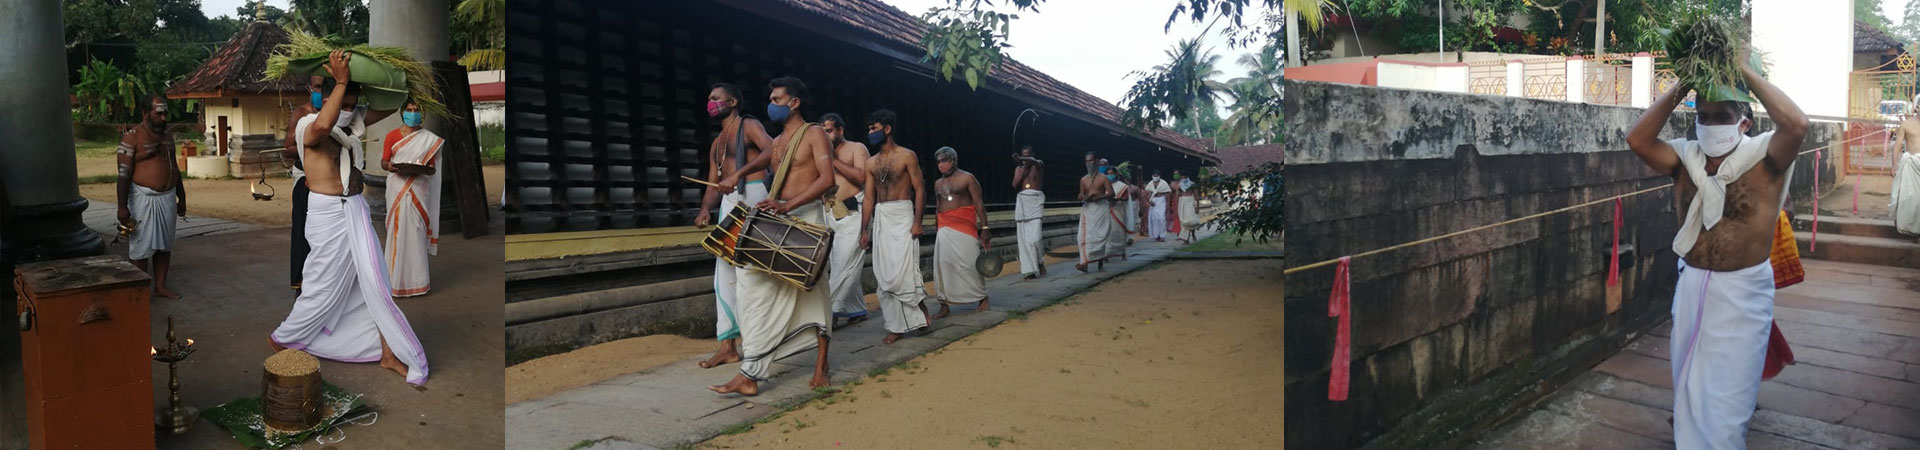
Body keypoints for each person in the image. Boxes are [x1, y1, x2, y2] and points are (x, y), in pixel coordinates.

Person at [1625, 48, 1808, 449]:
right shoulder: (1684, 158)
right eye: (1702, 117)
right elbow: (1637, 139)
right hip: (1691, 285)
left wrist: (1744, 70)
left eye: (1721, 116)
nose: (1709, 125)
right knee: (1689, 384)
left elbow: (1796, 125)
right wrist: (1683, 85)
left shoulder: (1765, 158)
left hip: (1743, 291)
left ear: (1743, 120)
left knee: (1728, 396)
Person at [271, 50, 427, 386]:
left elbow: (380, 110)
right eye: (343, 104)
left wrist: (402, 88)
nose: (349, 112)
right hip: (328, 215)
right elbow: (325, 124)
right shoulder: (307, 126)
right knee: (320, 288)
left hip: (354, 211)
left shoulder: (348, 123)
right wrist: (341, 80)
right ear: (327, 97)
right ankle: (282, 339)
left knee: (374, 285)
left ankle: (387, 352)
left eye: (352, 106)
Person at [708, 76, 836, 395]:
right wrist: (737, 179)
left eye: (777, 99)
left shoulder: (814, 133)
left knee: (814, 293)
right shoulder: (778, 141)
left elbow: (827, 179)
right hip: (780, 219)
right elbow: (761, 161)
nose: (771, 104)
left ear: (795, 103)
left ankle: (822, 365)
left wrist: (788, 203)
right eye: (771, 99)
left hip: (805, 218)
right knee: (752, 285)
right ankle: (751, 371)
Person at [693, 83, 775, 369]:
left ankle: (762, 339)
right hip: (728, 204)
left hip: (753, 198)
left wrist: (738, 173)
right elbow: (716, 181)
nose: (710, 102)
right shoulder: (717, 142)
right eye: (709, 98)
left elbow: (772, 151)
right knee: (724, 274)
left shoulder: (749, 125)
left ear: (732, 102)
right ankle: (727, 345)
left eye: (715, 98)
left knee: (754, 271)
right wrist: (705, 209)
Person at [857, 108, 932, 344]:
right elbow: (869, 198)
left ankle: (920, 313)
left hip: (902, 213)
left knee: (905, 270)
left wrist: (917, 222)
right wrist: (864, 230)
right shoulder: (870, 163)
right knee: (884, 272)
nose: (870, 133)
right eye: (869, 129)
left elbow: (919, 189)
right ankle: (895, 326)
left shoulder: (907, 156)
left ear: (887, 129)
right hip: (882, 216)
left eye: (874, 129)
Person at [118, 95, 185, 299]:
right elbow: (123, 174)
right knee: (141, 246)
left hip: (167, 196)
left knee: (165, 243)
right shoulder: (132, 137)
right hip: (142, 198)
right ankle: (139, 290)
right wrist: (122, 206)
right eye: (159, 113)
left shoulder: (167, 136)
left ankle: (161, 286)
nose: (164, 118)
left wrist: (182, 197)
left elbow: (175, 167)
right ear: (145, 113)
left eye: (165, 113)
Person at [381, 101, 445, 297]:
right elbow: (384, 161)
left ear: (422, 114)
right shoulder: (392, 135)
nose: (413, 113)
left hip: (419, 188)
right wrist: (390, 166)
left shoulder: (428, 139)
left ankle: (419, 282)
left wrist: (424, 169)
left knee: (416, 233)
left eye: (416, 110)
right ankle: (393, 282)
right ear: (402, 113)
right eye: (409, 110)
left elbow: (432, 168)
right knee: (397, 232)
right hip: (397, 187)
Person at [819, 112, 871, 327]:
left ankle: (828, 312)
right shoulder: (820, 153)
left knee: (845, 264)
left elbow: (861, 177)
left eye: (829, 131)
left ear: (840, 129)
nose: (826, 136)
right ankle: (856, 309)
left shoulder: (856, 148)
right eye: (823, 132)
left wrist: (833, 160)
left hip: (853, 212)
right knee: (837, 262)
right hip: (830, 212)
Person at [930, 147, 989, 320]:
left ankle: (982, 299)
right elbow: (937, 206)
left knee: (969, 263)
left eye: (945, 160)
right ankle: (944, 304)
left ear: (954, 160)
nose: (942, 165)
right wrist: (937, 227)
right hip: (944, 226)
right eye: (939, 161)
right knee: (944, 264)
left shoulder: (967, 178)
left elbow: (979, 204)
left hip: (965, 225)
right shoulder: (937, 184)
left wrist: (985, 229)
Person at [286, 75, 325, 292]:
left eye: (324, 87)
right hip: (305, 178)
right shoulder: (301, 114)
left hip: (328, 182)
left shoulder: (335, 114)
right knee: (303, 229)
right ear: (310, 88)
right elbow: (288, 148)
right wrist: (309, 142)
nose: (320, 92)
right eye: (317, 87)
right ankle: (301, 280)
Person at [1012, 145, 1047, 278]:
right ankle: (1029, 270)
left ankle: (1040, 261)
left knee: (1036, 238)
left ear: (1032, 154)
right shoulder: (1019, 169)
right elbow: (1015, 185)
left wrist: (1021, 159)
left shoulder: (1038, 164)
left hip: (1035, 202)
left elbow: (1034, 161)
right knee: (1024, 239)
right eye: (1023, 155)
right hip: (1022, 202)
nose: (1025, 158)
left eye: (1027, 155)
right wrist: (1022, 169)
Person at [1075, 152, 1113, 272]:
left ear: (1096, 161)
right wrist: (1082, 196)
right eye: (1086, 161)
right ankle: (1084, 263)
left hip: (1100, 209)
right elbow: (1081, 194)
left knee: (1099, 236)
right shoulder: (1083, 179)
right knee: (1082, 236)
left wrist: (1101, 197)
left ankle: (1099, 261)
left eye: (1091, 161)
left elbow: (1112, 193)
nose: (1088, 164)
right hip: (1088, 209)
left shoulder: (1103, 178)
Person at [1892, 100, 1920, 239]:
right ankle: (1911, 229)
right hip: (1911, 165)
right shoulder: (1906, 125)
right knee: (1909, 198)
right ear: (1917, 108)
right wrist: (1894, 165)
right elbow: (1897, 145)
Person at [1102, 161, 1131, 260]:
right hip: (1106, 211)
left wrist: (1117, 199)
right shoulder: (1103, 185)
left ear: (1116, 174)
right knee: (1107, 232)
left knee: (1118, 231)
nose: (1110, 176)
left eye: (1112, 174)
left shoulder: (1122, 186)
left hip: (1118, 211)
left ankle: (1121, 252)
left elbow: (1126, 198)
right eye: (1108, 174)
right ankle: (1106, 253)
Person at [1144, 170, 1172, 242]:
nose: (1156, 177)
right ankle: (1156, 235)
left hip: (1161, 200)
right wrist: (1149, 201)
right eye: (1154, 176)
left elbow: (1168, 193)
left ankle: (1162, 235)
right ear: (1152, 176)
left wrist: (1168, 204)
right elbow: (1146, 193)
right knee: (1154, 219)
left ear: (1159, 176)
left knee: (1162, 218)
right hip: (1153, 200)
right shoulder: (1150, 184)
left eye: (1157, 175)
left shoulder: (1164, 183)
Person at [1176, 169, 1200, 242]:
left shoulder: (1192, 184)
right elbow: (1178, 195)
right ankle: (1185, 238)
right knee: (1183, 220)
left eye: (1184, 178)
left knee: (1190, 220)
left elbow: (1196, 195)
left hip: (1190, 202)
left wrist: (1197, 206)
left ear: (1187, 177)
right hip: (1182, 202)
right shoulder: (1180, 185)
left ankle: (1192, 233)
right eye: (1181, 178)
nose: (1183, 179)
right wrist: (1176, 205)